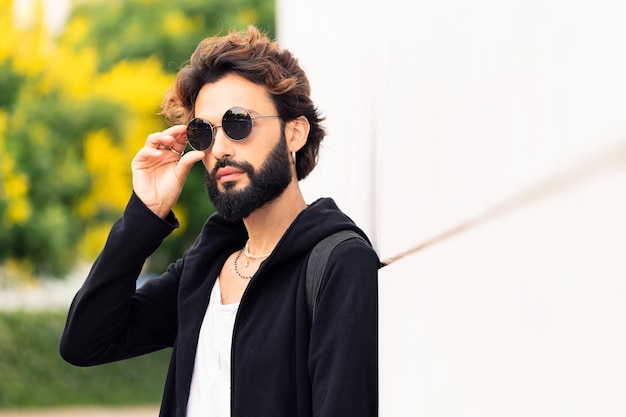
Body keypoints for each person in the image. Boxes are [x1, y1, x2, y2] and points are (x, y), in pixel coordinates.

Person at [60, 25, 379, 417]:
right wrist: (146, 213)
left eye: (238, 123)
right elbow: (85, 342)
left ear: (294, 133)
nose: (221, 148)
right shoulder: (206, 266)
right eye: (203, 132)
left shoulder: (337, 263)